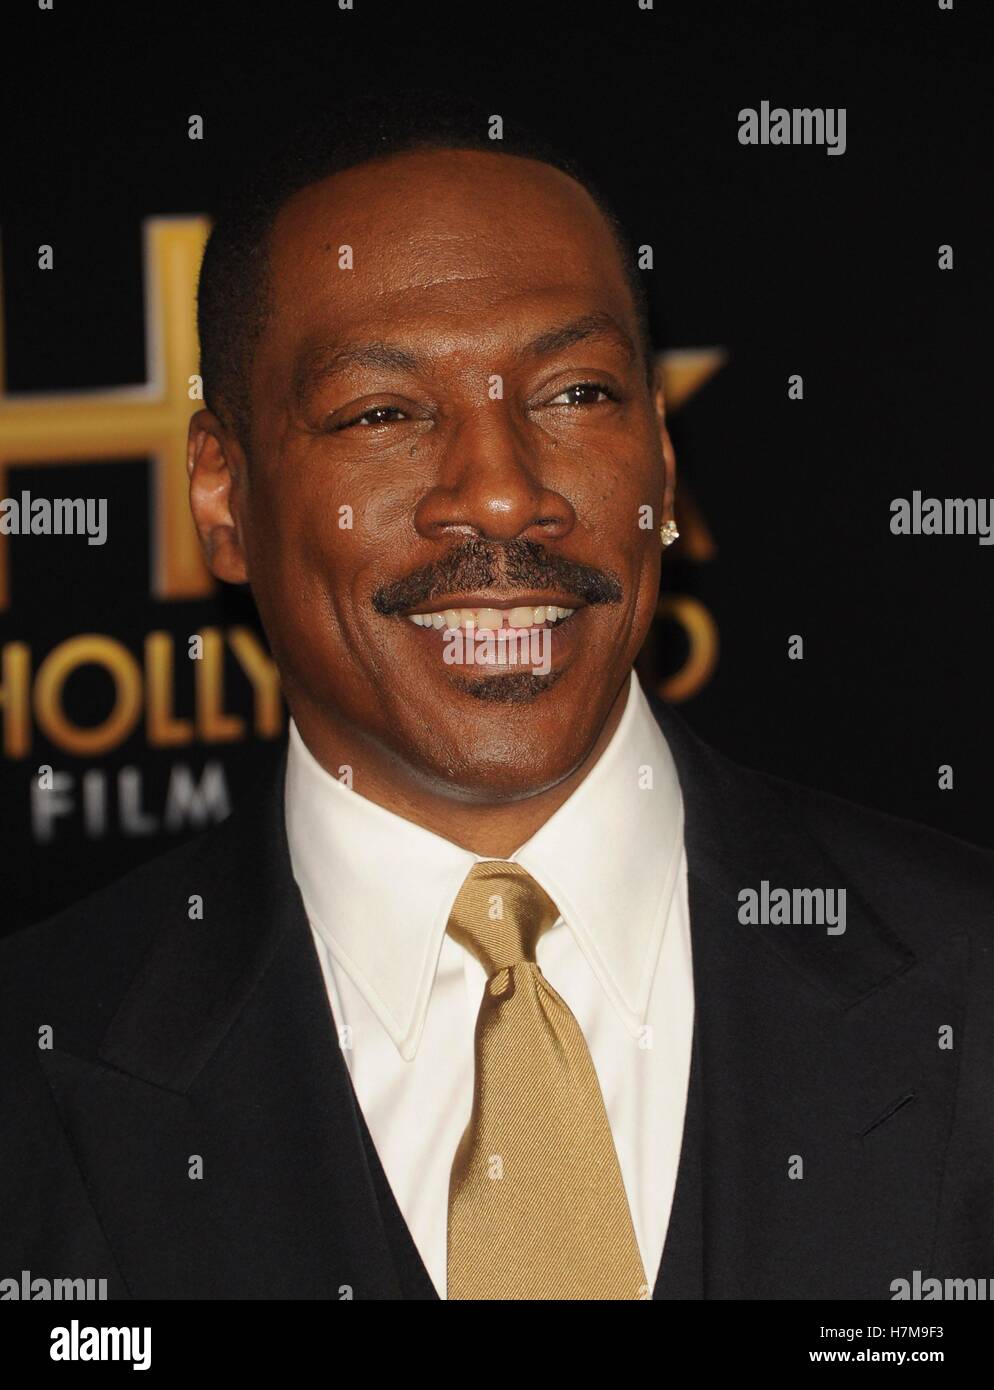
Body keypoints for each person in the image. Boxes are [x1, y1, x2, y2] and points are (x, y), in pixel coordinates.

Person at [2, 99, 992, 1301]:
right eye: (385, 413)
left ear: (662, 464)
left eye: (574, 394)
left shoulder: (967, 976)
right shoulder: (39, 1065)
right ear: (223, 495)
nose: (503, 493)